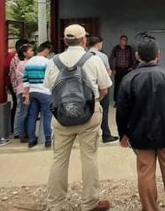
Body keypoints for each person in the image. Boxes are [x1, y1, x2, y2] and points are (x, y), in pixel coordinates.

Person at [117, 36, 165, 211]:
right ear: (158, 55)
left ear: (137, 56)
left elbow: (122, 111)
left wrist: (123, 133)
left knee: (145, 173)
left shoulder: (129, 79)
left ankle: (150, 208)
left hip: (140, 135)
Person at [44, 25, 112, 211]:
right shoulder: (93, 60)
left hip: (61, 118)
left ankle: (55, 204)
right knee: (89, 158)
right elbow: (105, 89)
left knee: (59, 159)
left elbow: (50, 88)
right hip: (89, 116)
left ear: (65, 41)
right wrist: (91, 102)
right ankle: (89, 203)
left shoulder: (54, 61)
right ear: (84, 40)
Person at [87, 36, 118, 144]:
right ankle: (106, 135)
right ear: (98, 44)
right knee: (103, 111)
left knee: (88, 111)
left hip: (87, 88)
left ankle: (90, 136)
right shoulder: (102, 56)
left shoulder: (83, 56)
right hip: (101, 87)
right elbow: (107, 72)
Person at [24, 42, 54, 148]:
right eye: (49, 51)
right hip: (45, 92)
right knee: (47, 116)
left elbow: (25, 80)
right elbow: (51, 78)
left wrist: (26, 95)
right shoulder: (47, 62)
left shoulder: (29, 62)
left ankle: (31, 140)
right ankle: (48, 140)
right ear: (46, 50)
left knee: (32, 116)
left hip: (33, 91)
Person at [6, 38, 30, 136]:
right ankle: (17, 131)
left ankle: (20, 130)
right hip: (19, 87)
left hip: (20, 87)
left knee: (21, 109)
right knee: (20, 109)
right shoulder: (17, 60)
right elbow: (19, 76)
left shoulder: (20, 60)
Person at [12, 43, 34, 142]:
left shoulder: (24, 63)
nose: (33, 52)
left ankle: (23, 132)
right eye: (30, 51)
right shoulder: (23, 64)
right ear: (25, 53)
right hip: (24, 91)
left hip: (25, 90)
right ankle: (21, 133)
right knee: (23, 112)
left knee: (24, 112)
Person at [110, 35, 137, 104]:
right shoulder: (116, 48)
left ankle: (127, 100)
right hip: (118, 69)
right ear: (120, 40)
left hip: (127, 69)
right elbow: (111, 58)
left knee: (128, 85)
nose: (124, 41)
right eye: (123, 40)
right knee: (117, 85)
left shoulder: (129, 48)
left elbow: (134, 58)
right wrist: (113, 68)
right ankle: (116, 101)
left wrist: (133, 67)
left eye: (125, 40)